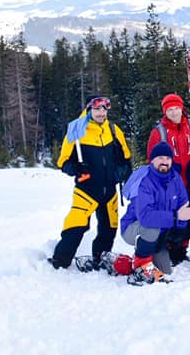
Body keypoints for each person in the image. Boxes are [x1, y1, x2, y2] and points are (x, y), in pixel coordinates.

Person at [50, 96, 132, 270]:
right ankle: (60, 261)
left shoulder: (114, 130)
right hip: (86, 190)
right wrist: (76, 168)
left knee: (109, 228)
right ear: (89, 110)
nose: (101, 113)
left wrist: (121, 173)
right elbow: (62, 161)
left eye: (104, 109)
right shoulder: (77, 130)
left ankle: (101, 257)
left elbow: (126, 158)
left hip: (109, 190)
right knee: (76, 225)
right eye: (97, 109)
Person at [119, 141, 190, 285]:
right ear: (152, 160)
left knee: (166, 269)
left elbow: (183, 206)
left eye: (167, 158)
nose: (164, 162)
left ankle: (123, 263)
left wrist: (179, 227)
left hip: (159, 233)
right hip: (134, 228)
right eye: (160, 158)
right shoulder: (145, 181)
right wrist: (175, 217)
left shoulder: (175, 178)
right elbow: (146, 217)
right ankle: (141, 263)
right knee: (152, 228)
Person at [146, 93, 190, 264]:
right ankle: (167, 250)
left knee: (187, 216)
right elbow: (151, 160)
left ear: (182, 108)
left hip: (189, 183)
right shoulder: (158, 132)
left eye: (176, 108)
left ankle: (182, 250)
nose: (174, 113)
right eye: (170, 110)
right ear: (165, 112)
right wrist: (168, 169)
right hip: (168, 186)